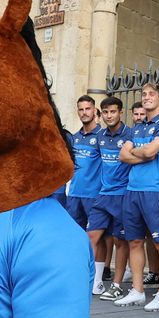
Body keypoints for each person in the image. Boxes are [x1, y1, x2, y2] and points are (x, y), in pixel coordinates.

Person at [114, 83, 159, 310]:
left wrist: (141, 152)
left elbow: (153, 152)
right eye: (144, 94)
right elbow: (123, 155)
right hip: (132, 190)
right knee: (134, 241)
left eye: (152, 94)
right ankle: (138, 291)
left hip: (155, 190)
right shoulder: (137, 127)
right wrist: (142, 154)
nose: (147, 97)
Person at [92, 96, 134, 301]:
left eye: (113, 111)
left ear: (120, 112)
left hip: (122, 195)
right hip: (102, 195)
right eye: (106, 112)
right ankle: (93, 280)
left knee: (120, 241)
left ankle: (117, 285)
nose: (109, 116)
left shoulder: (130, 134)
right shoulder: (99, 136)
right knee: (91, 237)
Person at [65, 95, 104, 276]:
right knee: (74, 236)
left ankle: (95, 277)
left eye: (87, 109)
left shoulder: (102, 137)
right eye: (81, 109)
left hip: (94, 194)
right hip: (74, 194)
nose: (84, 112)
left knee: (97, 237)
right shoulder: (74, 137)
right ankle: (75, 271)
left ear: (94, 110)